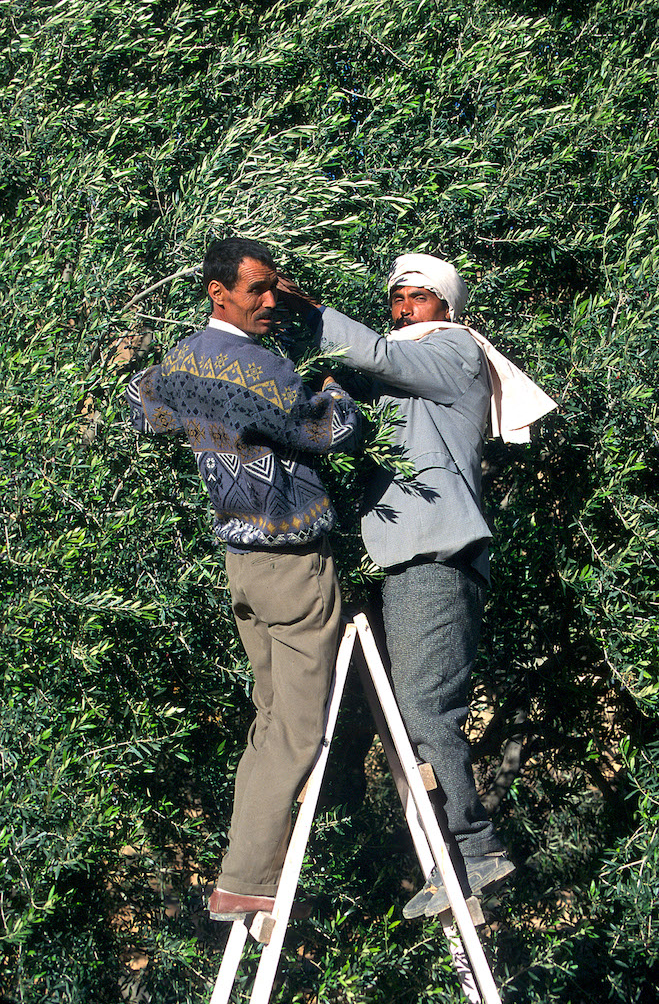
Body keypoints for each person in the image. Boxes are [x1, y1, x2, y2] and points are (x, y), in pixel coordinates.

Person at [279, 253, 555, 918]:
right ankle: (450, 861)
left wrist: (310, 312)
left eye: (418, 297)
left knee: (428, 713)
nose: (404, 308)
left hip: (438, 555)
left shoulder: (456, 352)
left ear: (447, 307)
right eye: (396, 298)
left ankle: (475, 849)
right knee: (411, 719)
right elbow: (348, 418)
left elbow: (379, 354)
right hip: (407, 559)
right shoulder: (400, 376)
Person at [126, 237, 360, 921]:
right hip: (290, 560)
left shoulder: (183, 359)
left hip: (241, 562)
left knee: (270, 719)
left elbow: (144, 409)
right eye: (257, 288)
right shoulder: (259, 365)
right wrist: (337, 387)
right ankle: (250, 879)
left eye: (273, 288)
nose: (269, 300)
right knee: (297, 729)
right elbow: (325, 431)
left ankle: (241, 874)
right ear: (217, 291)